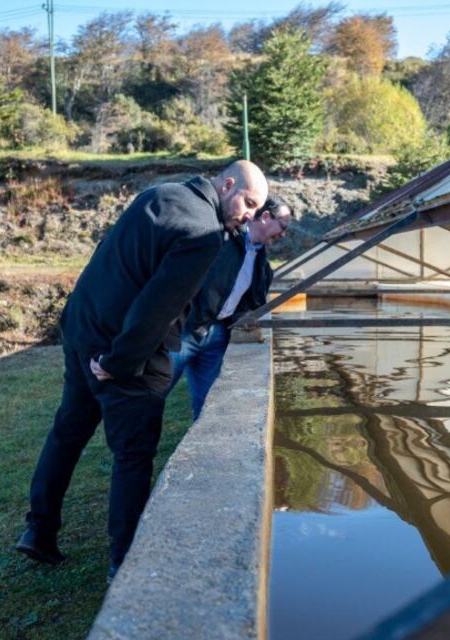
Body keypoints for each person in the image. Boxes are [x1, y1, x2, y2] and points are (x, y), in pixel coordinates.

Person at [16, 161, 269, 579]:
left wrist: (82, 332)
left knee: (67, 434)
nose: (249, 215)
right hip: (121, 357)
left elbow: (106, 261)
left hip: (83, 333)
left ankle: (38, 530)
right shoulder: (204, 234)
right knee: (133, 457)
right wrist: (118, 364)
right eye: (248, 202)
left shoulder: (158, 194)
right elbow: (158, 308)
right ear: (228, 185)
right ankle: (126, 564)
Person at [169, 196, 293, 420]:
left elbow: (250, 302)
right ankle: (133, 452)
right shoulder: (221, 240)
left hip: (216, 334)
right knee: (153, 394)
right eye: (283, 226)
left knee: (207, 405)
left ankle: (202, 451)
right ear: (265, 217)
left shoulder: (261, 262)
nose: (284, 234)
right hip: (184, 330)